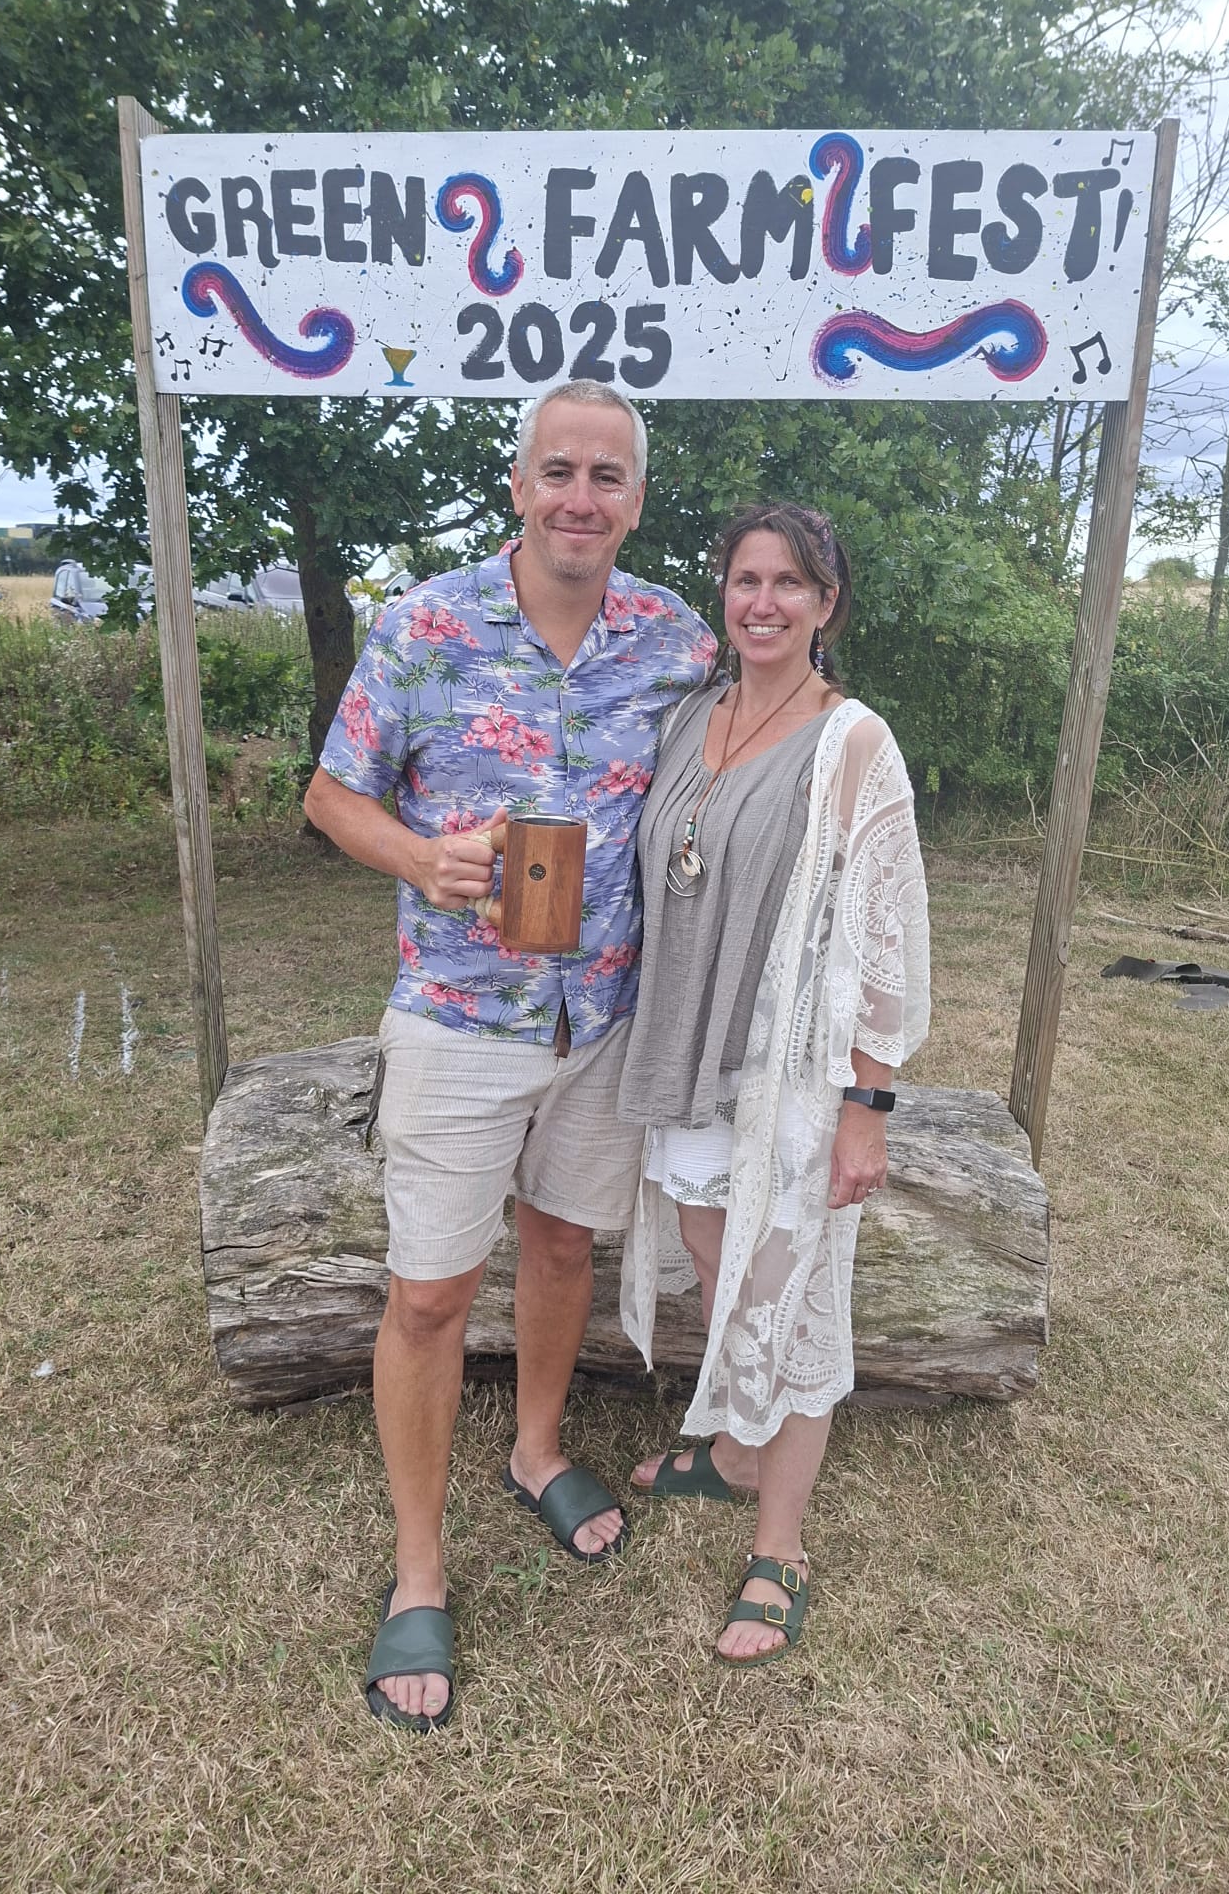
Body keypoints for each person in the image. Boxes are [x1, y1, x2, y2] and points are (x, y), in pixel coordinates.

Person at [303, 380, 715, 1732]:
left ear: (635, 499)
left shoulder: (677, 640)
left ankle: (536, 1451)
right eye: (559, 471)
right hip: (459, 1014)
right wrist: (422, 857)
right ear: (520, 484)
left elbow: (756, 748)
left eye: (607, 476)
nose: (580, 498)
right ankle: (419, 1567)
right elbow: (330, 794)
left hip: (605, 1014)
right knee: (429, 1295)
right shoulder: (425, 624)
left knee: (562, 1246)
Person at [616, 502, 930, 1663]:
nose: (763, 602)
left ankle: (780, 1545)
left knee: (791, 1293)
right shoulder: (690, 716)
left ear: (825, 602)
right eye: (746, 580)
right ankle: (739, 1447)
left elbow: (888, 931)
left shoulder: (854, 742)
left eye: (789, 583)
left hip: (790, 1069)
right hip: (685, 1050)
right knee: (715, 1253)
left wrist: (867, 1104)